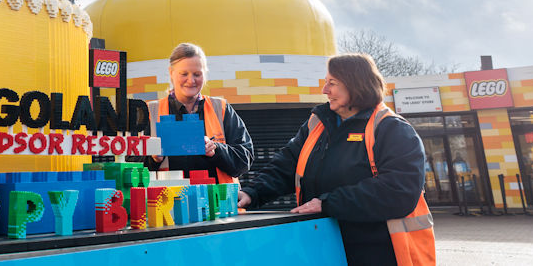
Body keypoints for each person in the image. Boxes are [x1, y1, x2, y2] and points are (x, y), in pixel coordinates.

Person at [238, 53, 434, 266]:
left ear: (356, 84)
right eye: (325, 83)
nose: (325, 91)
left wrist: (328, 203)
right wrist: (252, 192)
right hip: (323, 247)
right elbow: (288, 163)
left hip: (379, 253)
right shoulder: (318, 124)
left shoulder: (392, 129)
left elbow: (400, 191)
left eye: (332, 83)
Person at [140, 43, 253, 184]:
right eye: (184, 74)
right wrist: (153, 158)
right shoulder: (150, 112)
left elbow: (244, 160)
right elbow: (130, 167)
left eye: (197, 74)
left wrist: (217, 150)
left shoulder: (221, 108)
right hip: (166, 203)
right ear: (171, 73)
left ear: (204, 74)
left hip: (218, 202)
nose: (191, 80)